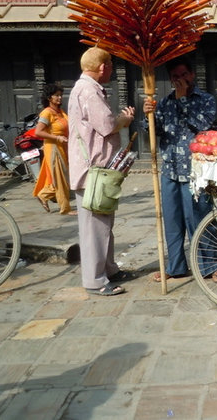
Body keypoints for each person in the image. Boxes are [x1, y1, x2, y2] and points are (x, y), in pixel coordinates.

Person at [68, 47, 135, 296]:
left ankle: (109, 269)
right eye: (110, 67)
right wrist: (124, 119)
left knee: (103, 223)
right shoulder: (88, 90)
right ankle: (95, 280)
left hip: (97, 169)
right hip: (92, 171)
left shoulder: (86, 88)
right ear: (103, 67)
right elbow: (107, 125)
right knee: (94, 228)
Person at [143, 56, 217, 282]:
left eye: (184, 75)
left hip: (196, 172)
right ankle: (175, 267)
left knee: (200, 220)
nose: (180, 80)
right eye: (175, 77)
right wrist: (148, 115)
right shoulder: (164, 103)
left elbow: (202, 126)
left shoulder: (206, 100)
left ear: (192, 75)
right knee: (173, 223)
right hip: (170, 171)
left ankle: (210, 268)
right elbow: (153, 132)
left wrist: (183, 100)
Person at [33, 82, 75, 215]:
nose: (59, 98)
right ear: (49, 97)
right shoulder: (46, 113)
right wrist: (57, 138)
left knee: (63, 176)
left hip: (63, 147)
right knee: (60, 178)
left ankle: (44, 195)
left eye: (61, 95)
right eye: (56, 95)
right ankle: (65, 208)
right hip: (54, 147)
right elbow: (38, 132)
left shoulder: (60, 112)